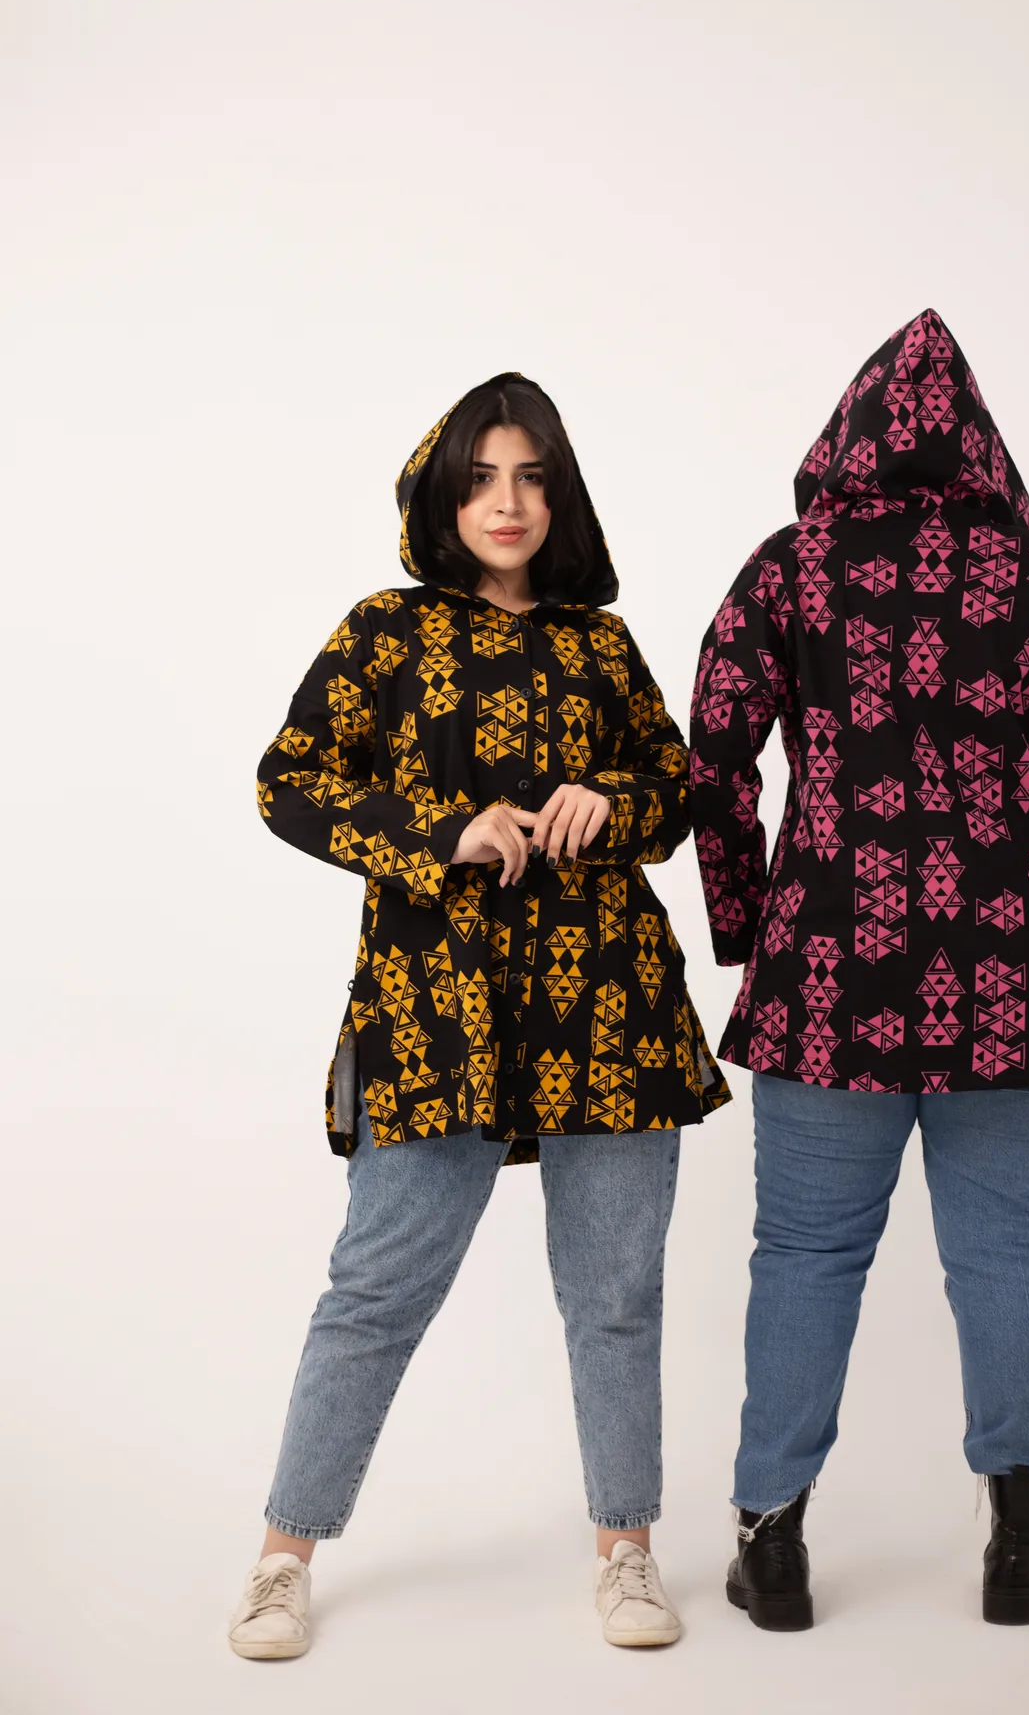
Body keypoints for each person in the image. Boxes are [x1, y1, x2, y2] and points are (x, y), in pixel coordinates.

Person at [688, 308, 1029, 1630]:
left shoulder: (789, 570)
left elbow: (713, 755)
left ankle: (770, 1544)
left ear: (846, 435)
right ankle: (1019, 1549)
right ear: (980, 441)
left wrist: (749, 920)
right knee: (1009, 1252)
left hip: (829, 973)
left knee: (805, 1254)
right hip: (1014, 974)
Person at [229, 374, 730, 1659]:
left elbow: (677, 786)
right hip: (433, 1011)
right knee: (374, 1289)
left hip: (607, 1005)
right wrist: (437, 831)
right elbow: (287, 782)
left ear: (559, 496)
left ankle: (625, 1549)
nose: (506, 503)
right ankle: (283, 1556)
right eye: (481, 478)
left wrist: (613, 802)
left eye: (530, 477)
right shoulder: (383, 633)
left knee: (615, 1295)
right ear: (441, 496)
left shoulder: (600, 646)